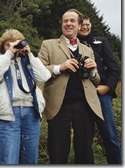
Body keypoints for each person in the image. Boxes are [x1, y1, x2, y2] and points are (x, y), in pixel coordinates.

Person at [38, 9, 104, 164]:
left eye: (72, 21)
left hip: (85, 105)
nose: (68, 24)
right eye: (65, 21)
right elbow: (38, 71)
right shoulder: (48, 44)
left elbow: (96, 81)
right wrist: (59, 67)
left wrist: (93, 70)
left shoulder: (88, 49)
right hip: (58, 105)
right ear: (61, 24)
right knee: (58, 150)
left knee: (85, 149)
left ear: (79, 25)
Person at [0, 29, 51, 164]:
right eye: (8, 44)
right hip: (9, 113)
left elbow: (44, 77)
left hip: (31, 112)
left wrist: (30, 55)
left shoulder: (28, 62)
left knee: (30, 159)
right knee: (9, 159)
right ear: (3, 47)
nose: (14, 47)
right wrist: (9, 53)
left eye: (16, 44)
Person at [77, 16, 121, 164]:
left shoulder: (101, 42)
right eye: (82, 25)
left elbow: (115, 68)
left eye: (88, 25)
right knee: (84, 137)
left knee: (110, 135)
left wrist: (107, 87)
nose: (85, 27)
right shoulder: (71, 44)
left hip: (101, 95)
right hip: (81, 96)